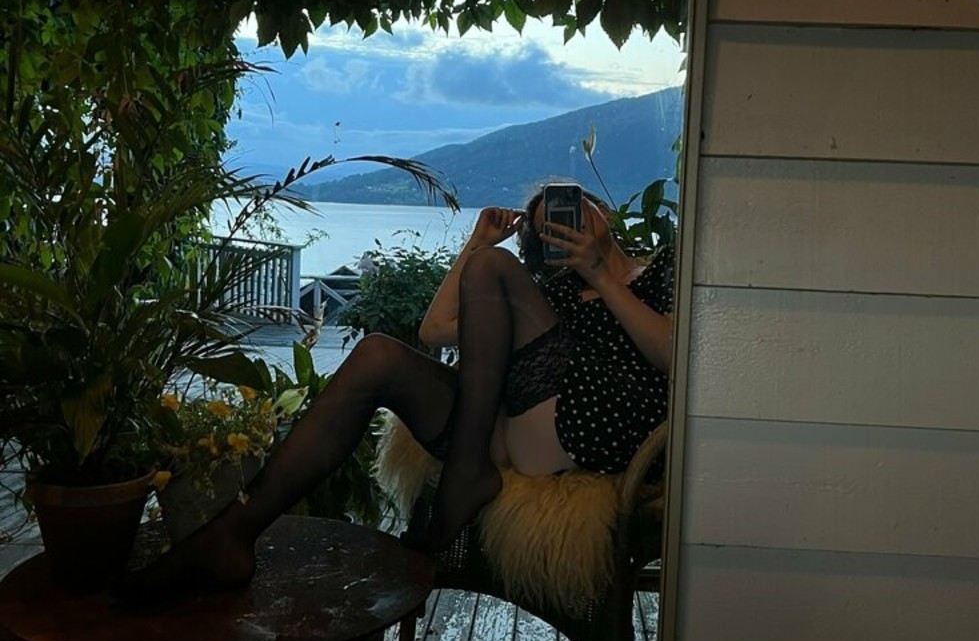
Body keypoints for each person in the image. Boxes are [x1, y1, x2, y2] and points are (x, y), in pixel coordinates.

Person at [119, 188, 674, 604]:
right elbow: (435, 330)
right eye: (548, 224)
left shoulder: (663, 270)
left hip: (591, 426)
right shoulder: (552, 296)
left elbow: (677, 355)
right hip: (510, 429)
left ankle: (465, 475)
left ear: (601, 212)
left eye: (571, 208)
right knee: (378, 356)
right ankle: (233, 535)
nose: (563, 222)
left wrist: (603, 278)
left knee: (489, 273)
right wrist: (477, 246)